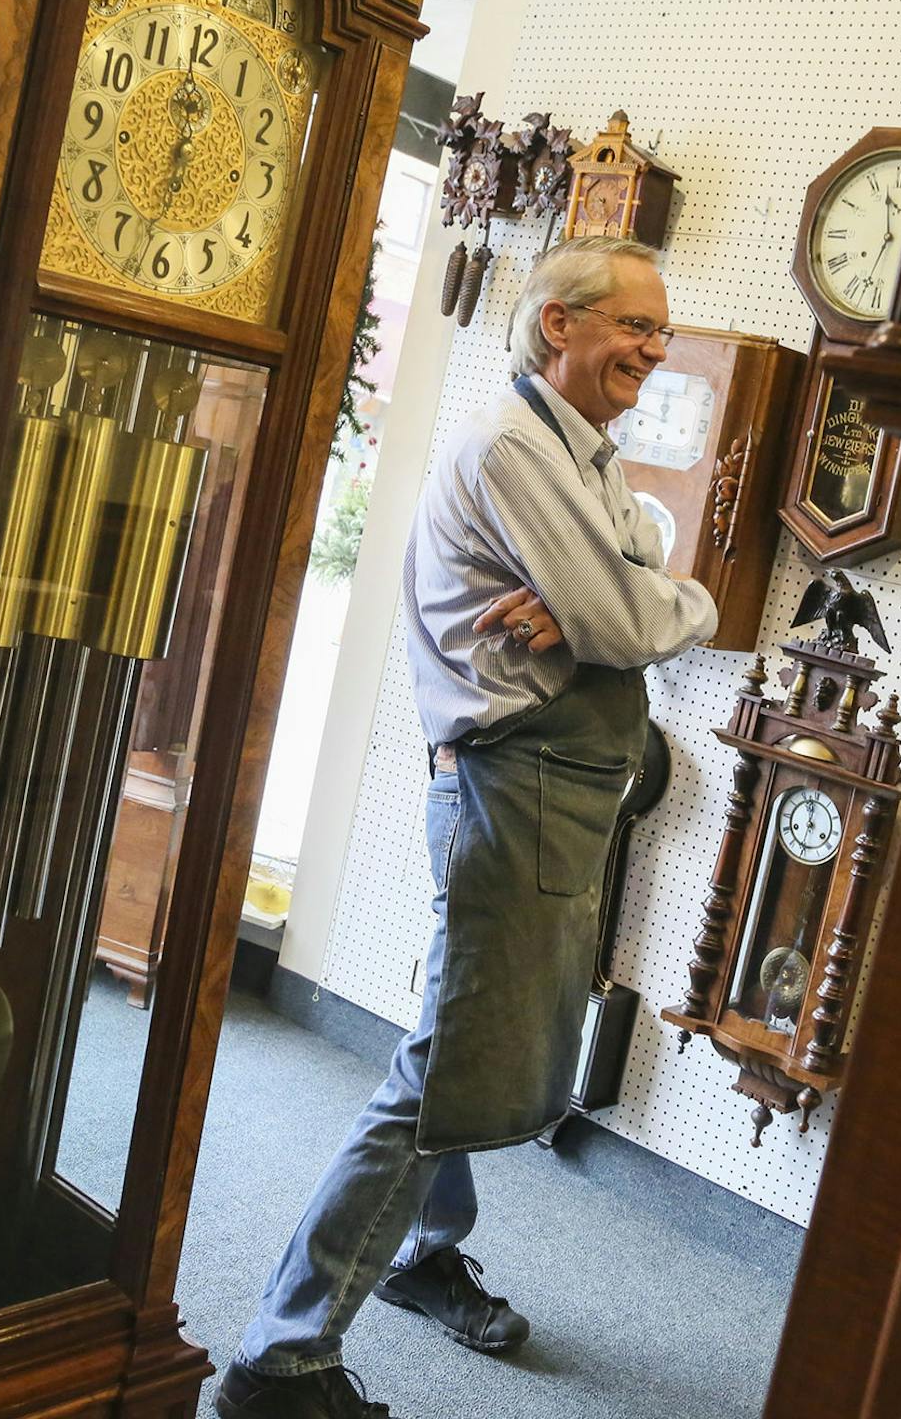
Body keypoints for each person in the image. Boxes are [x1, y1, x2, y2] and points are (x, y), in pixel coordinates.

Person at [215, 236, 717, 1419]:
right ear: (561, 326)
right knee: (445, 1068)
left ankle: (418, 1254)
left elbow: (653, 584)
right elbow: (638, 617)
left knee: (477, 1052)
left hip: (552, 797)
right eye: (637, 327)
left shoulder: (584, 460)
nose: (656, 349)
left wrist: (628, 599)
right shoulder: (511, 447)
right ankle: (278, 1361)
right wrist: (622, 604)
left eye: (662, 332)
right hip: (521, 788)